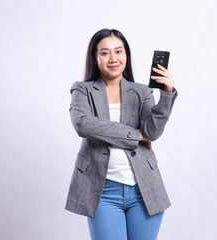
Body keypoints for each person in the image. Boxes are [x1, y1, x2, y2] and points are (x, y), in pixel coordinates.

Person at [65, 28, 178, 240]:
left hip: (144, 190)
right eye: (105, 53)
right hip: (102, 191)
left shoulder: (141, 91)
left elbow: (151, 132)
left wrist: (166, 94)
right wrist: (135, 135)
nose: (113, 58)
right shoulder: (83, 90)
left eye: (119, 51)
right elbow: (83, 124)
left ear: (126, 55)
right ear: (95, 57)